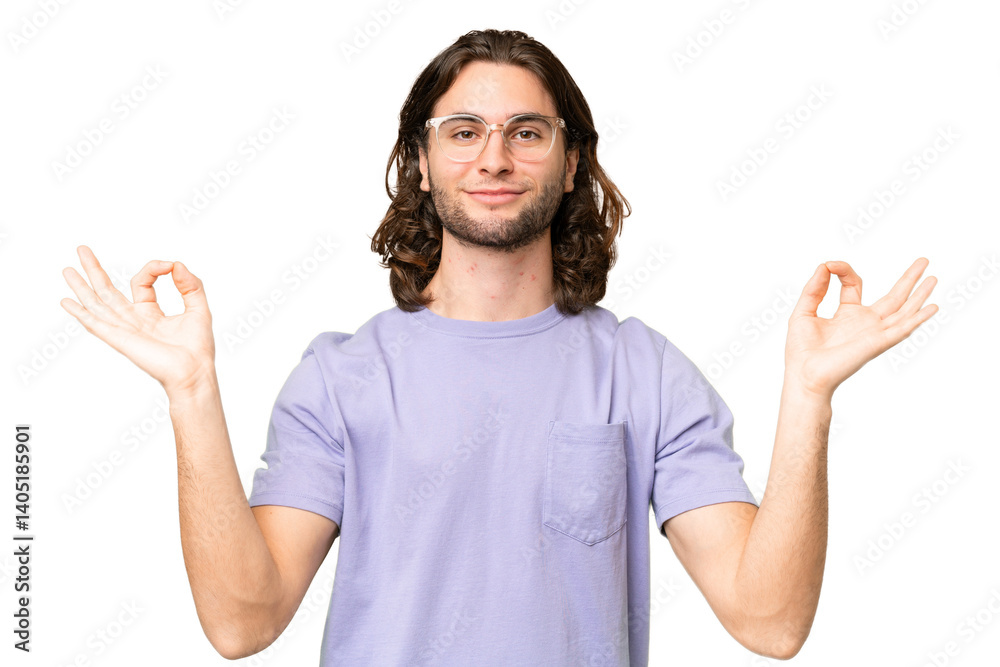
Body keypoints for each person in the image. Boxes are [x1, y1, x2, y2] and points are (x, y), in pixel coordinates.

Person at [60, 28, 938, 666]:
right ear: (422, 159)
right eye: (464, 131)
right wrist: (191, 390)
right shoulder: (340, 378)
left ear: (569, 162)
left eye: (527, 131)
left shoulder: (645, 373)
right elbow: (241, 624)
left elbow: (771, 620)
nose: (495, 157)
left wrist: (809, 395)